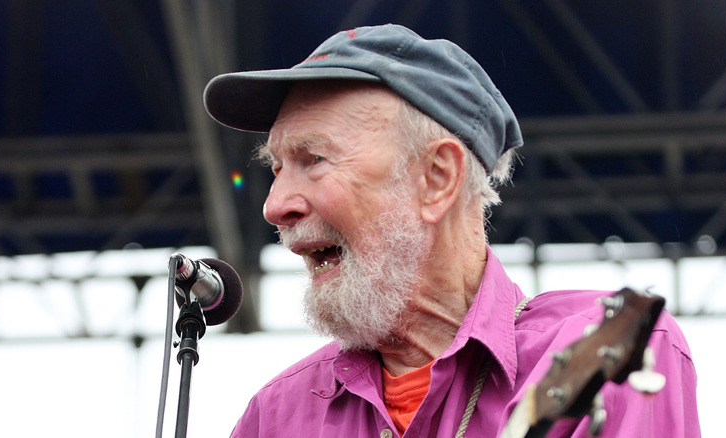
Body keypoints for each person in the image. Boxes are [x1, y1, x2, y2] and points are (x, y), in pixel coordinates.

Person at [204, 24, 700, 438]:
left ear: (437, 178)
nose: (274, 206)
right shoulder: (276, 416)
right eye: (274, 167)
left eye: (314, 159)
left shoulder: (607, 345)